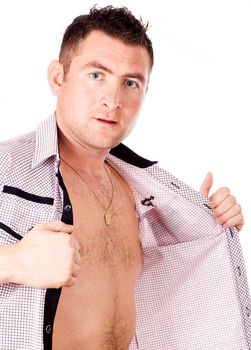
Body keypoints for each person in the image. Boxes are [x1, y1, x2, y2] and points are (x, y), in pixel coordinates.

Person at [0, 5, 247, 350]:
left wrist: (211, 221)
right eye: (96, 75)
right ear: (58, 77)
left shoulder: (143, 189)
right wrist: (12, 261)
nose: (113, 100)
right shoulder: (6, 165)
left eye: (130, 82)